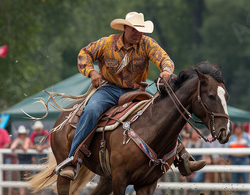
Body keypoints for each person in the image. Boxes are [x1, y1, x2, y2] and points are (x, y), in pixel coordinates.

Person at [57, 11, 206, 180]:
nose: (138, 34)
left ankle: (181, 157)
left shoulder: (147, 44)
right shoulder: (106, 44)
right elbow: (84, 54)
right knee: (91, 110)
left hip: (137, 90)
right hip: (108, 89)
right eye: (135, 30)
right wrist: (91, 72)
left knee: (165, 111)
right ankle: (73, 159)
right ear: (125, 28)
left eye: (141, 30)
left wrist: (166, 70)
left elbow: (164, 58)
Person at [226, 124, 250, 195]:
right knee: (234, 177)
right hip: (234, 159)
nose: (238, 130)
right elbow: (227, 149)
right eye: (236, 128)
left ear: (242, 129)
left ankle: (246, 194)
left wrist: (237, 153)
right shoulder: (231, 138)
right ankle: (235, 194)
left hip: (244, 159)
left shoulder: (247, 137)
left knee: (245, 177)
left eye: (239, 128)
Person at [11, 125, 32, 195]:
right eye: (21, 134)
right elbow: (12, 147)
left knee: (28, 177)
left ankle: (25, 194)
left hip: (27, 161)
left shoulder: (27, 140)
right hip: (21, 161)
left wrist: (20, 146)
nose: (22, 135)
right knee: (22, 178)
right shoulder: (17, 140)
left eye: (23, 134)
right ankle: (23, 194)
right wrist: (18, 146)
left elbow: (25, 148)